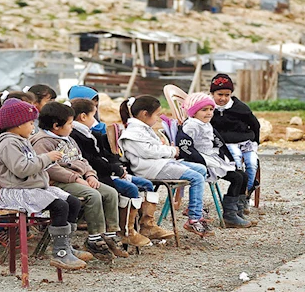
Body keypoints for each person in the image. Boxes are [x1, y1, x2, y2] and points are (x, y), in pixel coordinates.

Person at [0, 98, 88, 270]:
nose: (33, 127)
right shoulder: (8, 143)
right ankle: (60, 253)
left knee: (73, 202)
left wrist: (49, 161)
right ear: (17, 124)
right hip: (18, 191)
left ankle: (66, 246)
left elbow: (33, 164)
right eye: (30, 123)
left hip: (33, 188)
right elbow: (22, 169)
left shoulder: (22, 140)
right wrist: (46, 158)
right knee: (60, 206)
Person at [30, 102, 125, 261]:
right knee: (92, 195)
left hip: (80, 180)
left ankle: (110, 234)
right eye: (69, 123)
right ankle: (94, 239)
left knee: (110, 193)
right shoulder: (43, 142)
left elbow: (82, 160)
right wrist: (77, 179)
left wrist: (90, 175)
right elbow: (50, 169)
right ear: (56, 126)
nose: (72, 126)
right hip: (58, 182)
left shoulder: (68, 139)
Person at [118, 95, 212, 238]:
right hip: (151, 168)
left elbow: (154, 148)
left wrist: (168, 150)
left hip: (160, 164)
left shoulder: (143, 128)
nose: (158, 118)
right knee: (197, 177)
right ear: (144, 114)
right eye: (156, 114)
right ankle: (194, 218)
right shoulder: (133, 132)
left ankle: (194, 208)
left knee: (201, 169)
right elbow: (148, 151)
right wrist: (172, 151)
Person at [69, 98, 158, 246]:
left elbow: (106, 155)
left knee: (146, 184)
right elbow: (92, 160)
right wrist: (115, 169)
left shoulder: (91, 133)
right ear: (83, 117)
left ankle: (148, 226)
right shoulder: (77, 135)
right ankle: (126, 231)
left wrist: (117, 167)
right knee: (131, 189)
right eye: (93, 115)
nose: (95, 119)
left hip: (109, 172)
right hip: (98, 176)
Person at [181, 93, 252, 228]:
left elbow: (217, 142)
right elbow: (186, 146)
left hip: (212, 157)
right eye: (204, 110)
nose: (209, 113)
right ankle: (229, 215)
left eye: (211, 109)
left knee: (243, 175)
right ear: (193, 112)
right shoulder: (191, 125)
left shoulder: (205, 123)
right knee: (236, 178)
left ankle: (238, 211)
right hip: (202, 160)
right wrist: (200, 160)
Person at [209, 74, 261, 213]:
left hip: (245, 141)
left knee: (252, 163)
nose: (223, 98)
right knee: (236, 160)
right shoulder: (208, 109)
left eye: (227, 95)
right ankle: (236, 196)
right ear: (212, 93)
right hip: (226, 143)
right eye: (219, 94)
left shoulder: (240, 108)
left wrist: (256, 142)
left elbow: (255, 124)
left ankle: (245, 195)